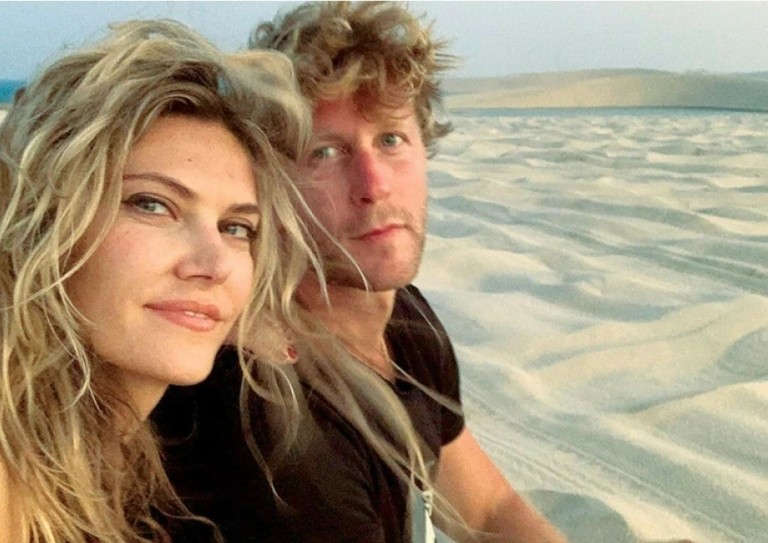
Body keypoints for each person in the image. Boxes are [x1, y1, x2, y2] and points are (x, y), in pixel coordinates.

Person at [156, 2, 566, 543]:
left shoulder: (407, 319)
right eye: (325, 152)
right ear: (270, 188)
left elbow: (488, 509)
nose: (373, 184)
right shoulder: (273, 425)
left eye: (391, 139)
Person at [0, 19, 318, 543]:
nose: (214, 264)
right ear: (46, 223)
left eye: (237, 228)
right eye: (152, 205)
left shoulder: (126, 461)